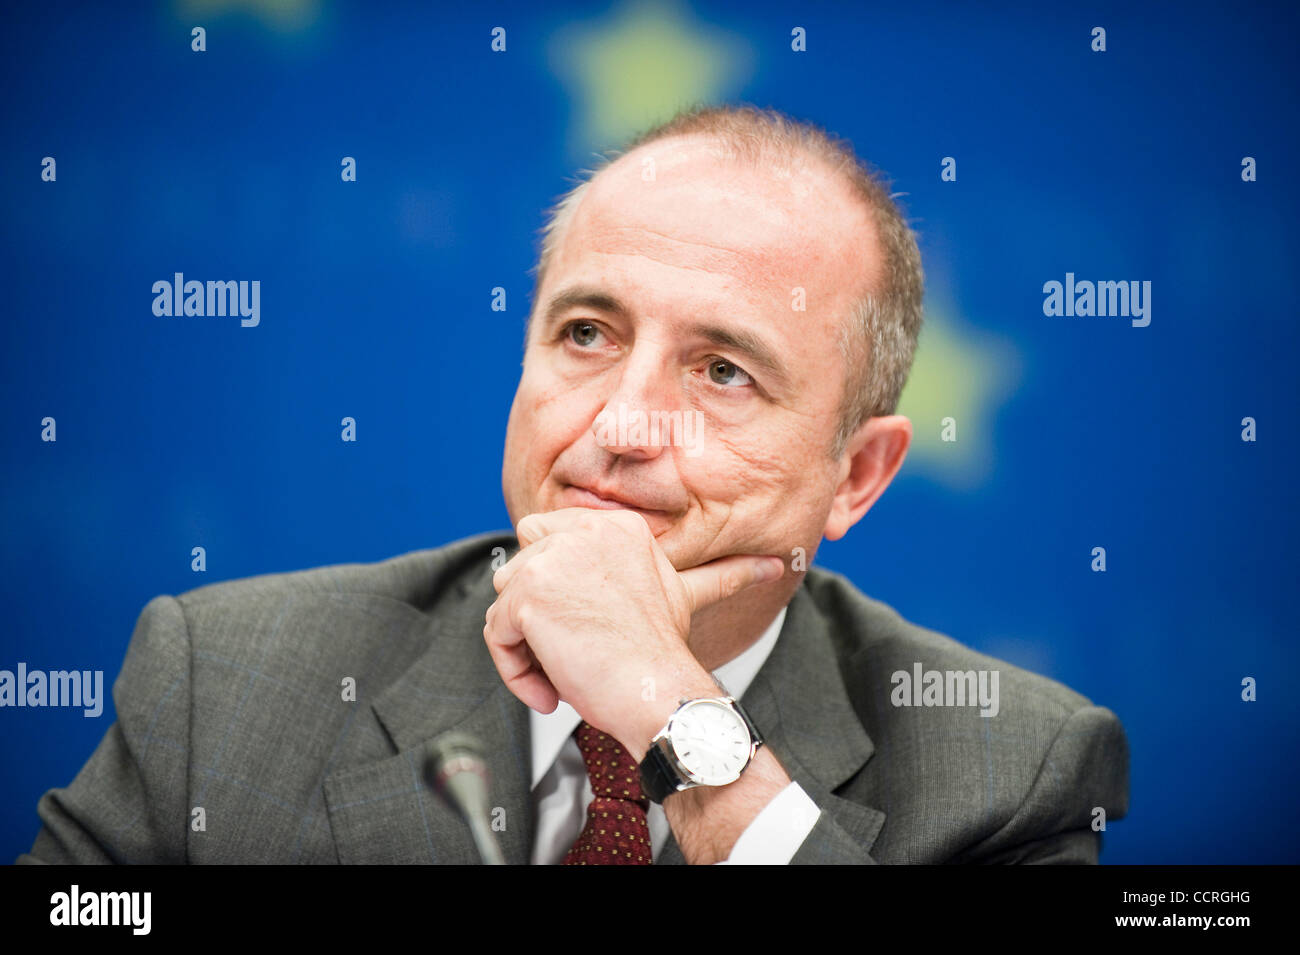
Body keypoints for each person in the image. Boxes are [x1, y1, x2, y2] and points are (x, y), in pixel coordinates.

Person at [18, 104, 1128, 865]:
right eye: (587, 333)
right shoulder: (225, 685)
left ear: (856, 474)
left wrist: (673, 713)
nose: (620, 423)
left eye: (723, 369)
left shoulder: (1010, 765)